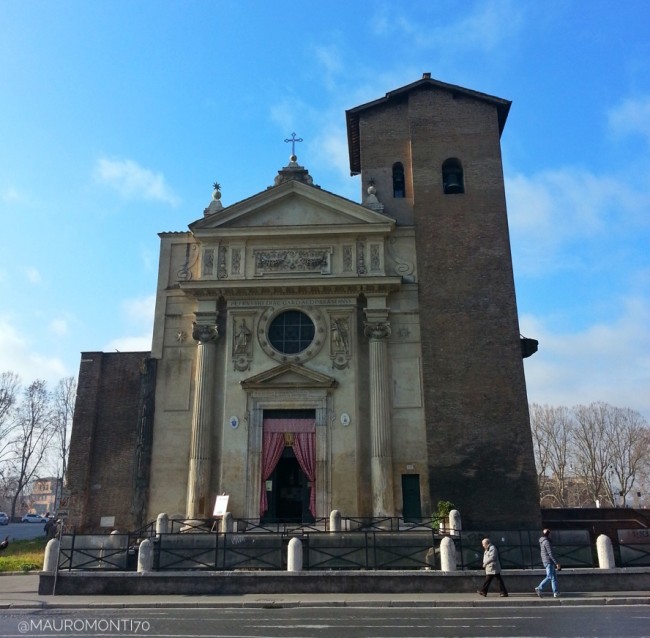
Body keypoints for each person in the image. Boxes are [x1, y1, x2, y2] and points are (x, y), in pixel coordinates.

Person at [536, 528, 561, 598]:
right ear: (548, 534)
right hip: (549, 561)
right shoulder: (546, 542)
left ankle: (556, 592)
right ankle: (539, 588)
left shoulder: (542, 541)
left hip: (547, 561)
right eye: (550, 534)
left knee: (554, 578)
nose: (551, 535)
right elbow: (550, 553)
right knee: (549, 576)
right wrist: (556, 563)